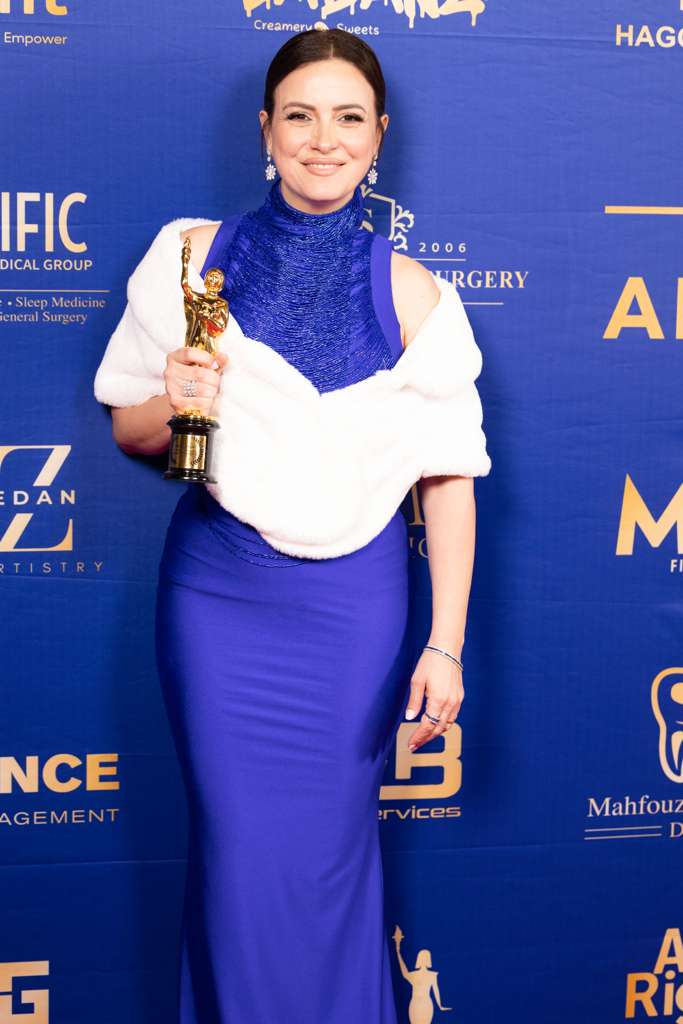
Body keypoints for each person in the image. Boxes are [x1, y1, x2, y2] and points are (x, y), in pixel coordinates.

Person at [93, 27, 491, 1024]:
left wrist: (443, 644)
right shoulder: (189, 261)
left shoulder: (417, 297)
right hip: (219, 599)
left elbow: (448, 480)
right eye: (300, 116)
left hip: (352, 614)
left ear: (379, 136)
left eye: (347, 118)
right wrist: (175, 395)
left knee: (328, 858)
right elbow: (132, 431)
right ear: (265, 128)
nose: (324, 139)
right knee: (238, 857)